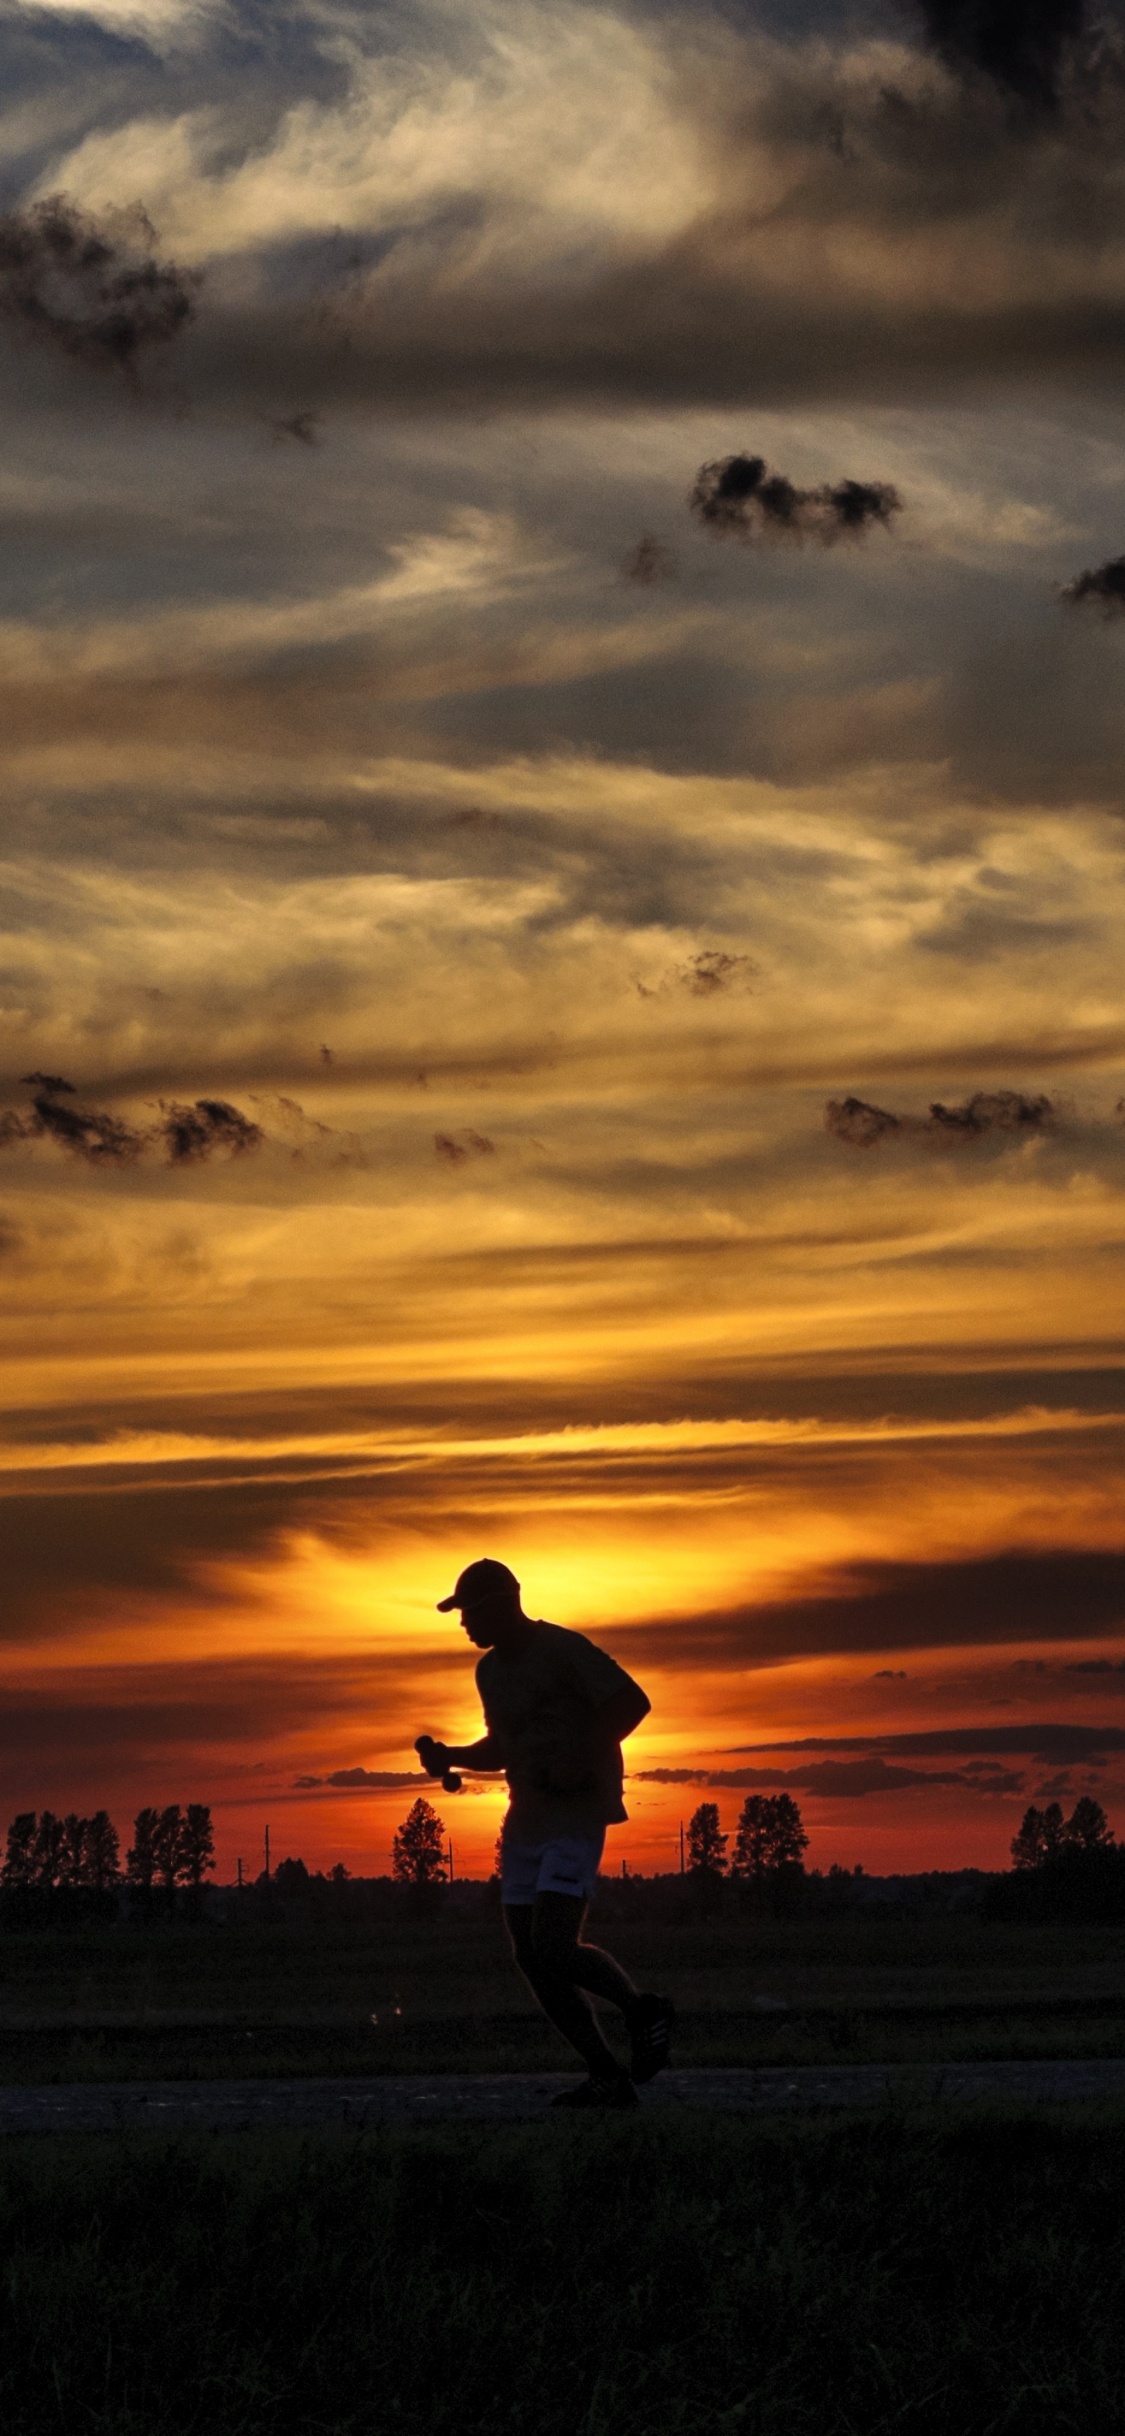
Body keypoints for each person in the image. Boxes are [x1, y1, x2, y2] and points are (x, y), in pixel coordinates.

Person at [416, 1556, 674, 2109]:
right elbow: (503, 1746)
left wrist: (581, 1760)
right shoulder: (489, 1673)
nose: (463, 1624)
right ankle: (607, 2075)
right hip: (526, 1820)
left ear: (503, 1604)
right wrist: (452, 1755)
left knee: (554, 1945)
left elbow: (632, 1702)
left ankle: (641, 2011)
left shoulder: (562, 1650)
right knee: (531, 1956)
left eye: (469, 1612)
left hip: (575, 1816)